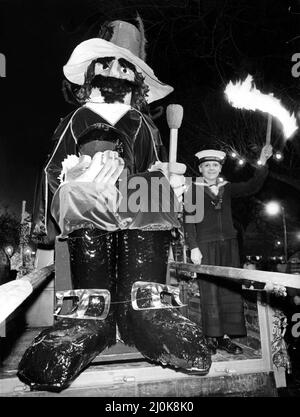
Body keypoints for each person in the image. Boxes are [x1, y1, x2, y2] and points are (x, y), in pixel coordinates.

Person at [18, 18, 211, 392]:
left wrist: (169, 183)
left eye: (125, 65)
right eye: (106, 63)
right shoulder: (77, 119)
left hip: (135, 200)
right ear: (91, 74)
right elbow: (52, 167)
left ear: (136, 79)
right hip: (89, 196)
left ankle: (146, 311)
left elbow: (153, 165)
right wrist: (68, 185)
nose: (115, 70)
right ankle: (91, 318)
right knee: (77, 193)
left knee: (156, 187)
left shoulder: (143, 122)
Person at [184, 145, 272, 355]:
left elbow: (253, 185)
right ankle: (211, 338)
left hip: (229, 244)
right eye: (207, 165)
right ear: (201, 169)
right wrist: (194, 247)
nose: (211, 168)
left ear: (219, 168)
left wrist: (262, 162)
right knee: (210, 291)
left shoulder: (228, 188)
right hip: (205, 245)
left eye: (215, 165)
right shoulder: (193, 190)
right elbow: (189, 222)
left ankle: (225, 339)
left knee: (229, 290)